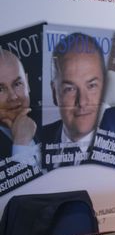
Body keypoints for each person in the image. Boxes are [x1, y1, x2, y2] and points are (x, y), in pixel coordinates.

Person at [41, 32, 105, 169]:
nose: (82, 102)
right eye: (70, 89)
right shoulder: (36, 141)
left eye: (91, 86)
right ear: (54, 93)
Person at [0, 50, 39, 165]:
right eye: (0, 89)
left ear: (27, 83)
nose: (13, 96)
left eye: (17, 84)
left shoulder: (52, 123)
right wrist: (21, 143)